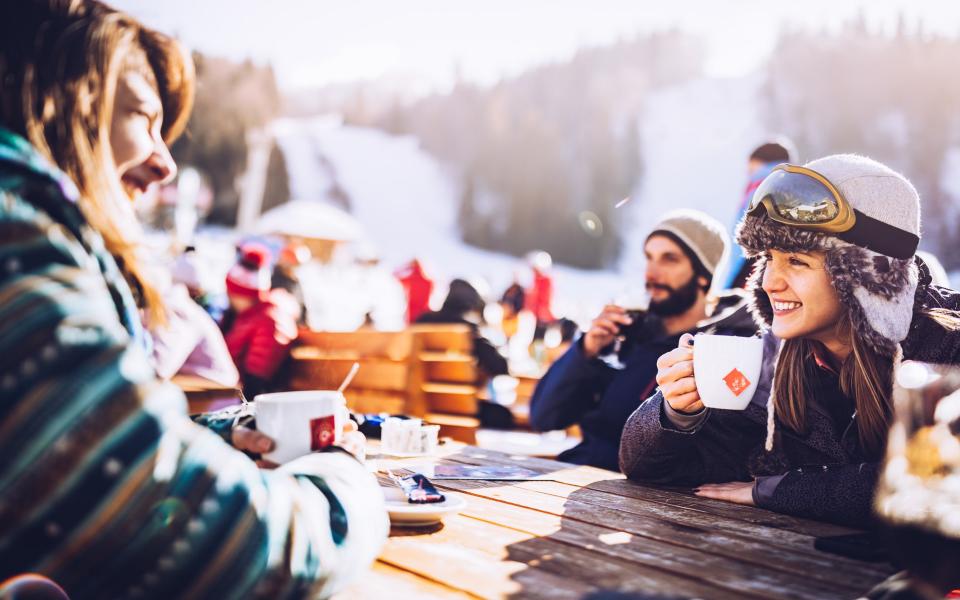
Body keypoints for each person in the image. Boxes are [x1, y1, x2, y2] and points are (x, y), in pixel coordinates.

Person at [0, 2, 386, 598]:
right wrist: (344, 480)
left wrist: (212, 436)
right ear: (52, 97)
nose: (165, 163)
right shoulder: (15, 235)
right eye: (143, 117)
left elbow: (74, 450)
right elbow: (220, 549)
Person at [620, 155, 960, 526]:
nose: (769, 282)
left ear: (867, 275)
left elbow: (938, 487)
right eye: (768, 258)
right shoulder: (771, 360)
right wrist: (676, 414)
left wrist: (777, 490)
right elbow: (646, 467)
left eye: (796, 260)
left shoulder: (947, 346)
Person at [530, 210, 757, 470]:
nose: (651, 273)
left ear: (704, 274)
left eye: (669, 259)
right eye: (649, 258)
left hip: (644, 488)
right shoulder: (628, 335)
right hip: (578, 472)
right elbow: (544, 417)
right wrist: (586, 350)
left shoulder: (728, 346)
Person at [223, 242, 300, 397]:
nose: (228, 297)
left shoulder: (268, 320)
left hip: (243, 399)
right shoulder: (249, 315)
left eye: (230, 293)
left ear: (240, 294)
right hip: (231, 391)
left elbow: (256, 381)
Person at [723, 140, 795, 289]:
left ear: (758, 161)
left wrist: (735, 281)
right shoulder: (792, 185)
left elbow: (753, 231)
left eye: (750, 165)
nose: (747, 171)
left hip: (750, 263)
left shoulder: (762, 185)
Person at [415, 278, 509, 378]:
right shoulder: (468, 330)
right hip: (454, 386)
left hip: (416, 383)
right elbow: (499, 367)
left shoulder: (422, 320)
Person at [271, 240, 310, 324]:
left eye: (297, 264)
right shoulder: (271, 278)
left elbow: (302, 307)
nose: (293, 266)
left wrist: (304, 323)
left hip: (292, 325)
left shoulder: (295, 283)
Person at [395, 257, 434, 324]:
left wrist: (407, 266)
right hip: (425, 314)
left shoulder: (409, 279)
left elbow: (395, 274)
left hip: (412, 314)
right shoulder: (429, 282)